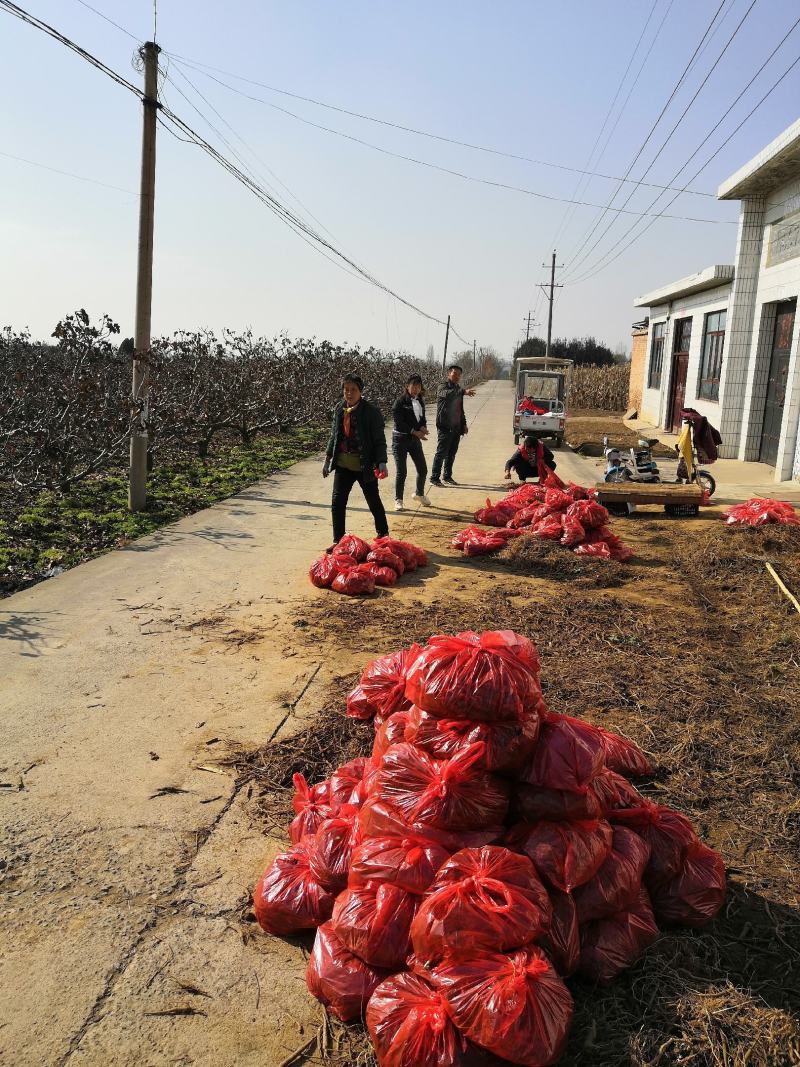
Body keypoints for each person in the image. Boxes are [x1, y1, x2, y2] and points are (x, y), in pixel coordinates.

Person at [323, 374, 389, 547]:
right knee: (337, 502)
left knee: (373, 500)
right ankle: (339, 541)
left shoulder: (371, 412)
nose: (349, 393)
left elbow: (379, 440)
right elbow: (334, 436)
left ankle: (383, 535)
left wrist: (382, 462)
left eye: (353, 390)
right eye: (346, 390)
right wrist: (328, 458)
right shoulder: (339, 409)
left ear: (360, 391)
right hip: (343, 465)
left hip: (364, 465)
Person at [430, 365, 475, 486]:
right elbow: (447, 394)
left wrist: (464, 424)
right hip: (445, 426)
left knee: (451, 454)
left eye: (459, 375)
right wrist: (463, 391)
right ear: (449, 374)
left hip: (456, 427)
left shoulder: (458, 389)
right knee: (441, 453)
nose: (457, 376)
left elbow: (460, 409)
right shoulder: (442, 387)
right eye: (454, 373)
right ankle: (434, 478)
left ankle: (447, 476)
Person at [391, 374, 432, 511]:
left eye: (418, 386)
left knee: (423, 469)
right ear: (407, 386)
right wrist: (415, 432)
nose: (415, 389)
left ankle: (419, 494)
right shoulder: (400, 402)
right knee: (402, 472)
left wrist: (423, 428)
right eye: (413, 386)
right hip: (400, 440)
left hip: (414, 440)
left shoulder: (420, 401)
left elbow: (421, 419)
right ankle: (398, 500)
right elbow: (400, 423)